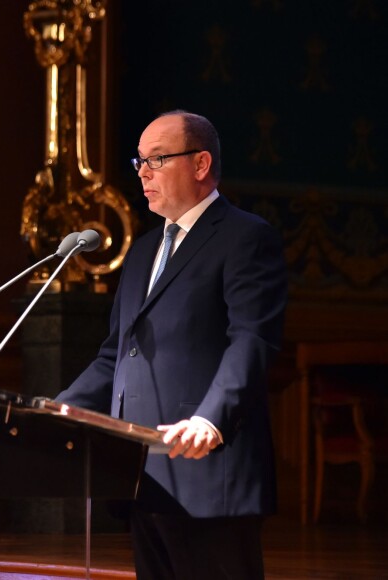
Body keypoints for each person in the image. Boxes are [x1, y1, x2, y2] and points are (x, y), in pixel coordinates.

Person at [56, 110, 288, 579]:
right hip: (141, 472)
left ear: (200, 164)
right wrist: (59, 408)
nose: (142, 172)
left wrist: (211, 418)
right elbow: (115, 355)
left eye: (157, 159)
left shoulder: (245, 237)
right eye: (139, 160)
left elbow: (252, 338)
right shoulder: (142, 251)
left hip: (207, 467)